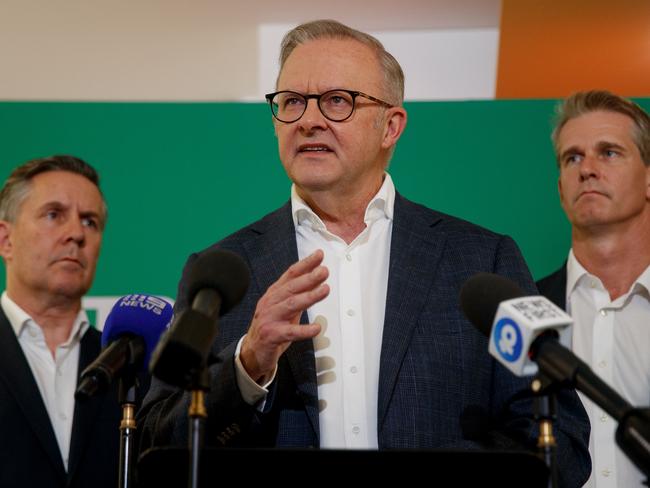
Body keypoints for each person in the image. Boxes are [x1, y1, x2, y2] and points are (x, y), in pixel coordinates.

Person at [139, 20, 590, 486]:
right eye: (292, 102)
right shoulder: (221, 272)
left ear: (390, 126)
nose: (309, 120)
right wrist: (248, 366)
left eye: (337, 101)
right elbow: (156, 445)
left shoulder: (481, 260)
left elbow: (557, 437)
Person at [537, 90, 650, 488]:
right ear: (560, 188)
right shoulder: (522, 312)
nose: (587, 169)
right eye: (573, 157)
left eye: (609, 153)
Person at [0, 155, 120, 488]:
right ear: (5, 240)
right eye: (54, 215)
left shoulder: (126, 365)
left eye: (89, 222)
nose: (76, 234)